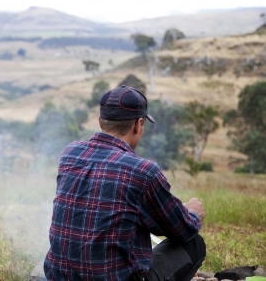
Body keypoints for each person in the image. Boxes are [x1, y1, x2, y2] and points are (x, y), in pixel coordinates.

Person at [44, 85, 206, 281]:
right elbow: (181, 229)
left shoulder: (70, 154)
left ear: (101, 121)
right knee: (194, 243)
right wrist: (192, 214)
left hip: (59, 277)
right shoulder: (143, 171)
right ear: (138, 125)